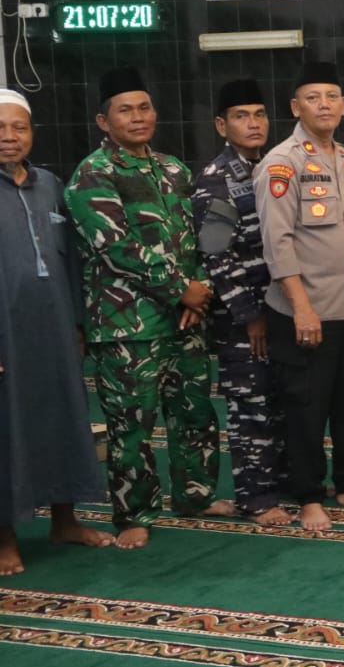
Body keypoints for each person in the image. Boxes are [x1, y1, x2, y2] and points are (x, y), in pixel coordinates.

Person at [65, 66, 226, 548]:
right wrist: (181, 290)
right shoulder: (93, 174)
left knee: (194, 412)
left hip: (184, 319)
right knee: (132, 423)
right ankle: (134, 512)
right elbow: (117, 247)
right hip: (127, 326)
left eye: (144, 107)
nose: (138, 117)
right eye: (125, 110)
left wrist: (198, 289)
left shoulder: (173, 169)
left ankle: (195, 495)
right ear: (104, 120)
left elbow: (199, 237)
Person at [256, 61, 344, 532]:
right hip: (306, 309)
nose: (324, 105)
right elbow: (277, 242)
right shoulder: (282, 163)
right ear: (296, 107)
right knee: (306, 407)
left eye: (332, 97)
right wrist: (301, 307)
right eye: (313, 98)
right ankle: (309, 495)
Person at [0, 88, 112, 573]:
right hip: (6, 332)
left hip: (56, 326)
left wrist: (79, 324)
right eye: (0, 128)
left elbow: (72, 261)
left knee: (64, 417)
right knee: (8, 429)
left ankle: (65, 520)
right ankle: (5, 537)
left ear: (32, 133)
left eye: (19, 127)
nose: (9, 137)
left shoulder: (50, 185)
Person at [191, 77, 289, 525]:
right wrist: (249, 316)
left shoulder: (271, 167)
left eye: (259, 114)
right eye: (241, 116)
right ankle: (256, 498)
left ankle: (282, 482)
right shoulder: (217, 181)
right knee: (251, 406)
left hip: (277, 308)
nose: (253, 123)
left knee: (278, 400)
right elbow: (216, 256)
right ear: (221, 125)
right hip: (242, 319)